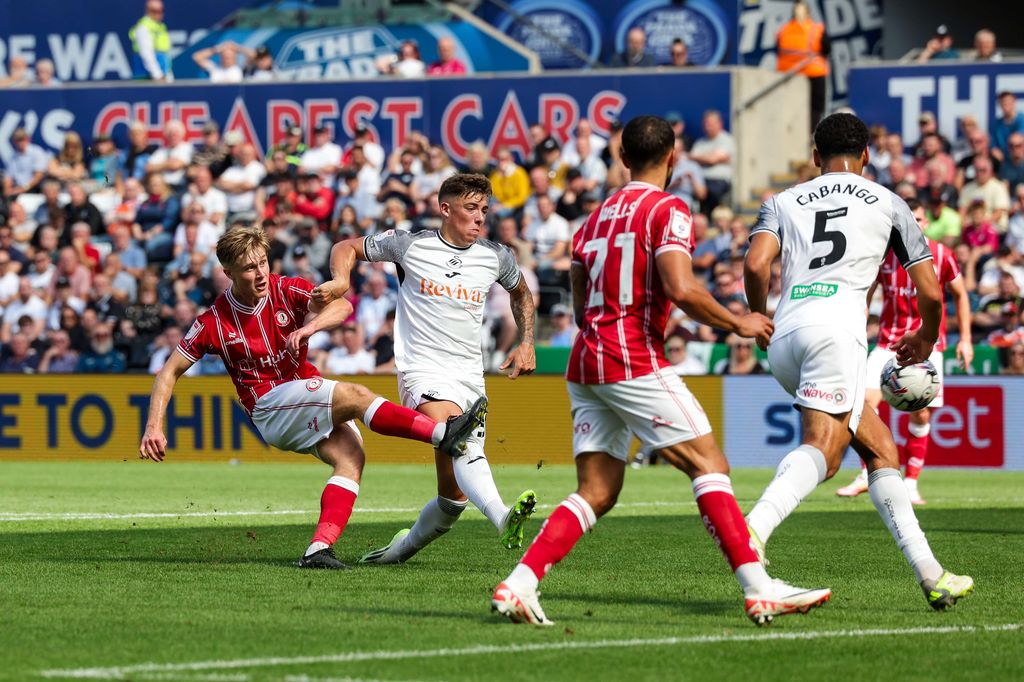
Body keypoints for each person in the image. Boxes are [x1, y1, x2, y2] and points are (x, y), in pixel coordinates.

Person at [492, 115, 829, 628]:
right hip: (630, 354)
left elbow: (583, 304)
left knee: (598, 490)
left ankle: (519, 584)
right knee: (709, 463)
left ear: (623, 159)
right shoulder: (669, 209)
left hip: (587, 357)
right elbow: (680, 286)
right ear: (674, 157)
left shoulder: (593, 218)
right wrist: (737, 321)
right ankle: (760, 589)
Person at [139, 226, 487, 568]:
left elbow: (342, 307)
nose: (260, 273)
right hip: (268, 406)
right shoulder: (214, 321)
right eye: (249, 267)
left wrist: (309, 327)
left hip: (300, 392)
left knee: (351, 456)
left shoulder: (286, 288)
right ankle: (444, 434)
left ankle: (318, 549)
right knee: (355, 395)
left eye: (263, 262)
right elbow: (169, 371)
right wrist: (154, 426)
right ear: (228, 272)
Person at [742, 112, 973, 612]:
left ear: (814, 155)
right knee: (825, 454)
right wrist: (927, 339)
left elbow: (756, 264)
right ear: (866, 155)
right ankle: (750, 533)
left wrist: (759, 318)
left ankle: (933, 576)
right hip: (837, 336)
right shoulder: (891, 204)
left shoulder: (781, 200)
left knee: (881, 451)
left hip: (785, 336)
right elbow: (931, 293)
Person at [313, 173, 541, 564]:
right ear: (445, 208)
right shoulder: (410, 245)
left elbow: (521, 293)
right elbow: (346, 246)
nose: (479, 218)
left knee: (453, 500)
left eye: (484, 210)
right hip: (423, 371)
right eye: (471, 209)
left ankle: (394, 554)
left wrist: (527, 341)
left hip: (470, 377)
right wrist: (340, 279)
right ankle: (504, 518)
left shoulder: (496, 256)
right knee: (460, 438)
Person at [836, 198, 973, 504]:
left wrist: (965, 338)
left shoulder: (942, 254)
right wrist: (855, 331)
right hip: (888, 341)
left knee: (921, 412)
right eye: (910, 220)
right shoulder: (884, 253)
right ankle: (867, 474)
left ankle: (910, 482)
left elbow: (961, 295)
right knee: (865, 404)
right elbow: (866, 294)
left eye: (920, 220)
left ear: (927, 223)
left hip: (927, 342)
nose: (915, 225)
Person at [775, 0, 830, 131]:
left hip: (789, 75)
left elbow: (776, 50)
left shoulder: (783, 30)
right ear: (808, 13)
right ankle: (811, 134)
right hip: (813, 73)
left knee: (793, 110)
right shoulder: (817, 29)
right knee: (815, 109)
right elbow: (827, 49)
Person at [130, 0, 172, 81]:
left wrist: (167, 75)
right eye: (154, 11)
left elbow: (165, 55)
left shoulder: (160, 27)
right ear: (147, 11)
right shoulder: (143, 28)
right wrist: (157, 75)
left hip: (162, 75)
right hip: (148, 77)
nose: (159, 14)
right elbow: (146, 53)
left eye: (161, 10)